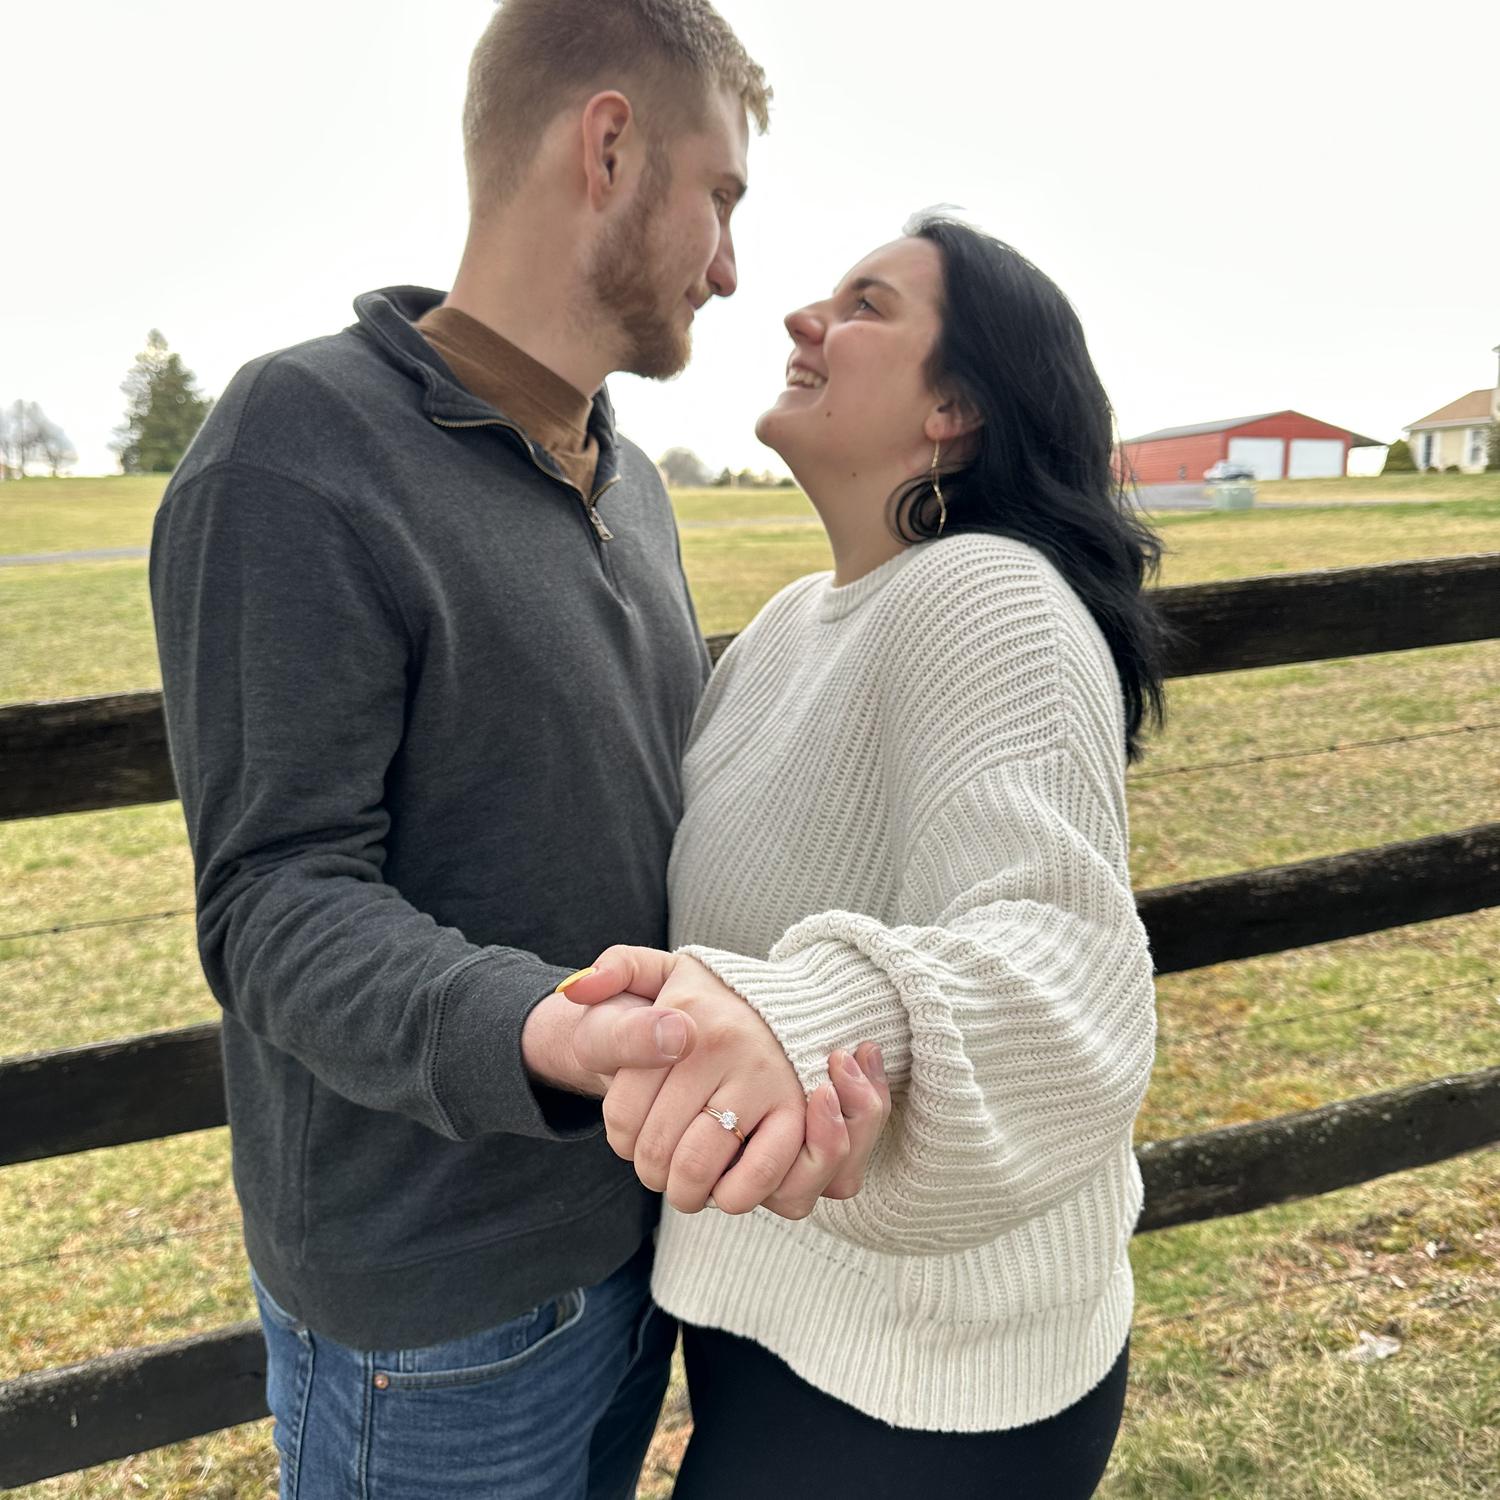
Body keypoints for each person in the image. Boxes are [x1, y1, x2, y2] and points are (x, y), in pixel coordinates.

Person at [148, 4, 887, 1497]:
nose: (731, 269)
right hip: (436, 1323)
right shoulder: (296, 447)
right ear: (607, 148)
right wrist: (544, 1030)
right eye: (721, 197)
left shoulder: (632, 481)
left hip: (639, 1250)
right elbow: (275, 903)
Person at [561, 217, 1166, 1498]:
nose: (803, 318)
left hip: (934, 1379)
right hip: (778, 1316)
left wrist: (812, 1028)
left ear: (955, 410)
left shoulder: (991, 594)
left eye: (867, 305)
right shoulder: (793, 623)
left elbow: (1064, 957)